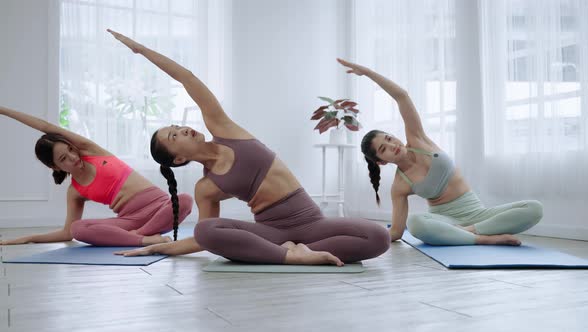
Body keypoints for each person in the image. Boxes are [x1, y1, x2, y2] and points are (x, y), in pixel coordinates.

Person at [108, 29, 390, 265]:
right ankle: (291, 256)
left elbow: (188, 79)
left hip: (311, 222)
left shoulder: (224, 130)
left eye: (175, 126)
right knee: (206, 229)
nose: (181, 129)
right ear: (179, 158)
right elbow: (203, 239)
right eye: (173, 136)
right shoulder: (206, 188)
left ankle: (296, 251)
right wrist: (161, 248)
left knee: (379, 237)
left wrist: (141, 50)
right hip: (270, 232)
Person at [337, 58, 543, 246]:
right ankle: (482, 239)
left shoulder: (418, 139)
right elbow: (397, 233)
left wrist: (368, 73)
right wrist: (358, 235)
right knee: (416, 223)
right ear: (381, 161)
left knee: (534, 209)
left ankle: (467, 232)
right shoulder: (400, 185)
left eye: (389, 139)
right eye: (384, 149)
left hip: (479, 214)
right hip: (445, 220)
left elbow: (402, 96)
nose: (392, 146)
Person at [0, 106, 192, 247]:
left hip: (160, 209)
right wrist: (28, 238)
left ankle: (138, 236)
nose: (73, 157)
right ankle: (144, 239)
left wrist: (4, 111)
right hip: (129, 221)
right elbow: (68, 233)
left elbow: (45, 126)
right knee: (78, 228)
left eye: (70, 150)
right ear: (55, 166)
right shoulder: (75, 191)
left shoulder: (92, 150)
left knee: (185, 200)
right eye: (63, 158)